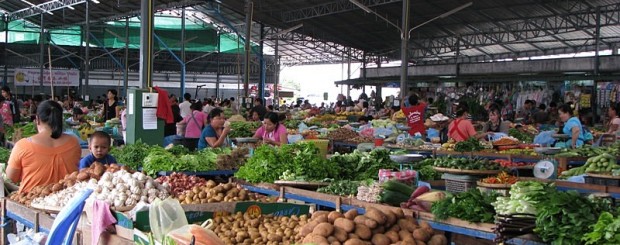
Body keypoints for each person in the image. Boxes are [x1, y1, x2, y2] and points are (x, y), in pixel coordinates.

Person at [6, 100, 81, 193]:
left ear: (37, 119)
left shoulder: (22, 146)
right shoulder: (74, 142)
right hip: (67, 199)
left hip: (30, 201)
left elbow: (11, 177)